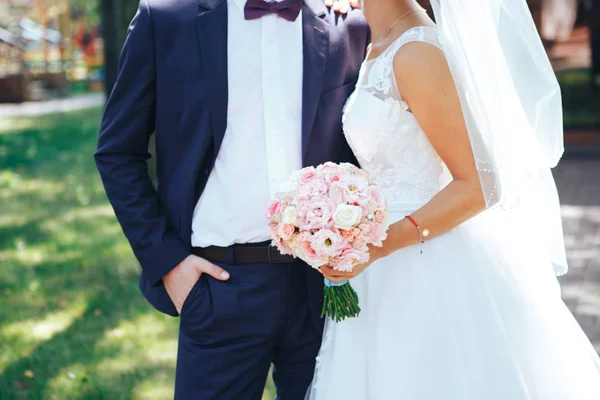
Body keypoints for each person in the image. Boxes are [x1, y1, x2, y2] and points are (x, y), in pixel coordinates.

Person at [310, 0, 600, 398]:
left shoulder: (416, 52)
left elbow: (480, 185)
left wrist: (378, 245)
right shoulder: (378, 43)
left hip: (427, 263)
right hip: (378, 269)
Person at [94, 0, 366, 398]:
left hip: (323, 289)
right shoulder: (167, 19)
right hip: (219, 287)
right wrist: (169, 262)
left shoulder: (347, 23)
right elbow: (118, 152)